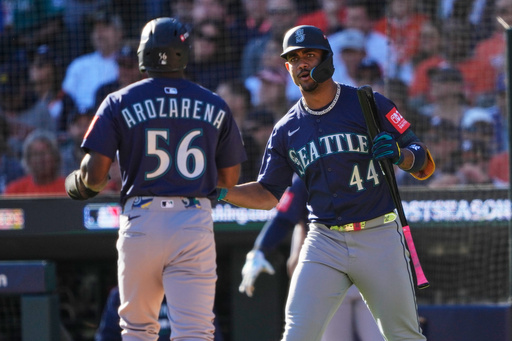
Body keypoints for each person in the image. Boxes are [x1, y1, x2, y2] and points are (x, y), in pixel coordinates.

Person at [218, 25, 435, 340]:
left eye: (309, 54)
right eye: (294, 58)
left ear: (328, 60)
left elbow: (425, 162)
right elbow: (267, 195)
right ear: (287, 67)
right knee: (297, 333)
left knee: (403, 335)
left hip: (378, 233)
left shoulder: (367, 102)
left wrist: (402, 155)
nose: (302, 63)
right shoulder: (286, 129)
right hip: (324, 241)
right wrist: (221, 190)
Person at [64, 17, 246, 340]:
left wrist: (77, 184)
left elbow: (94, 177)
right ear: (184, 52)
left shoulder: (118, 100)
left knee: (137, 330)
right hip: (194, 220)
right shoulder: (216, 104)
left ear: (143, 54)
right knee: (196, 333)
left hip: (142, 219)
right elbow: (230, 180)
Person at [239, 175, 383, 340]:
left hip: (370, 271)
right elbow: (283, 219)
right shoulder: (307, 173)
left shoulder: (369, 165)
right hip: (330, 274)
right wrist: (260, 250)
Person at [62, 10, 123, 113]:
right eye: (96, 29)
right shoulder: (79, 65)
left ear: (119, 33)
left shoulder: (128, 65)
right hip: (80, 121)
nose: (99, 33)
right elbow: (63, 100)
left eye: (105, 27)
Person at [4, 129, 66, 196]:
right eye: (35, 154)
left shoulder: (70, 189)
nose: (40, 159)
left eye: (44, 153)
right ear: (28, 160)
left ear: (55, 156)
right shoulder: (14, 191)